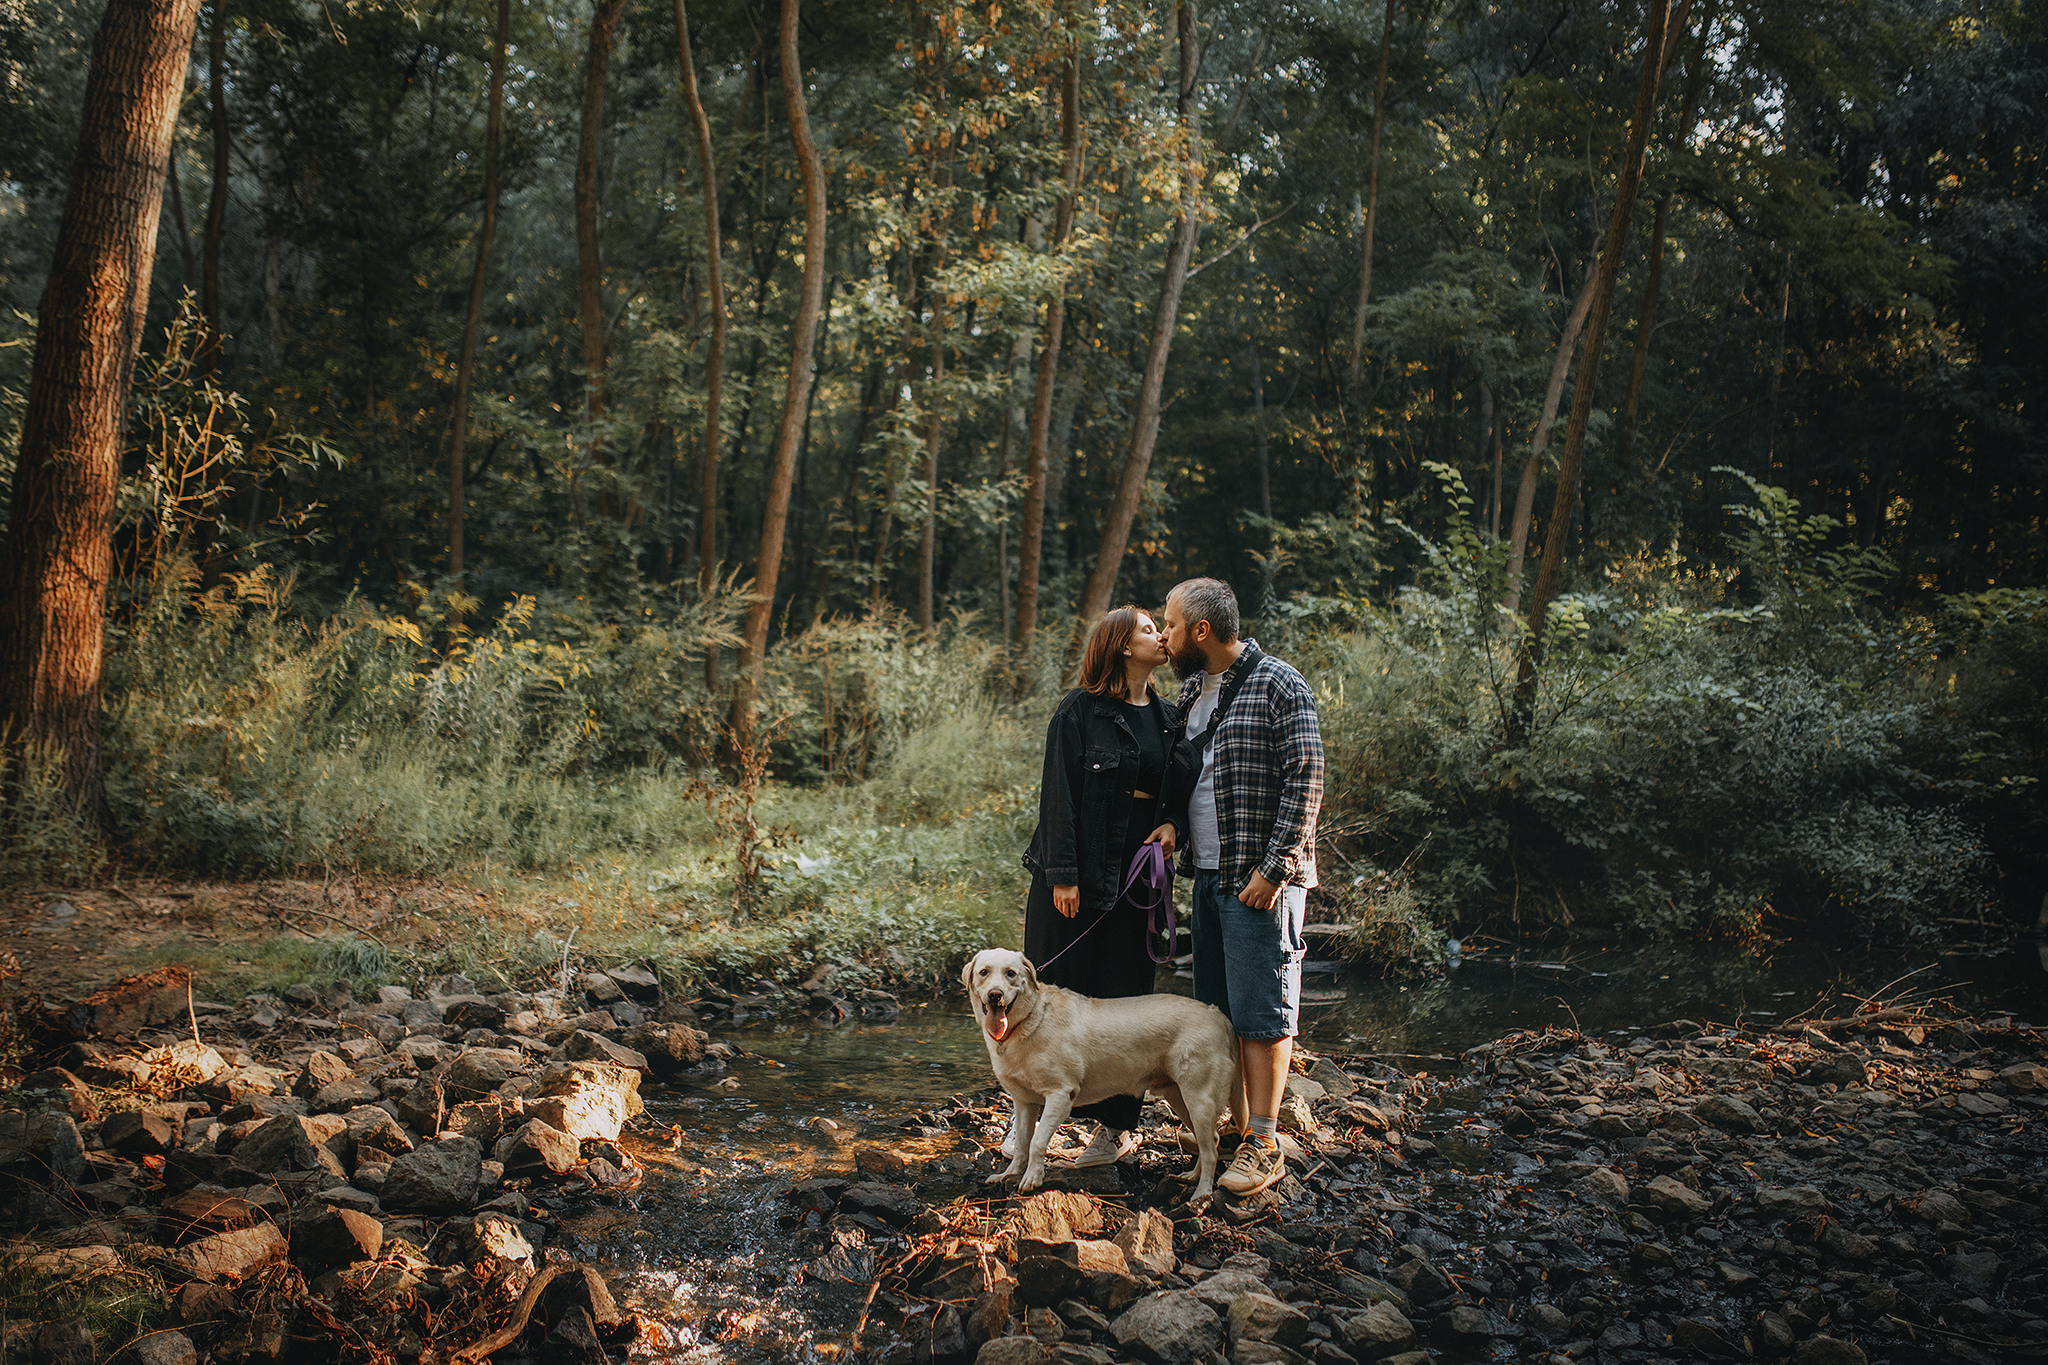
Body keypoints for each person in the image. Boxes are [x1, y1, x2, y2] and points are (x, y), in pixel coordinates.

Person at [1161, 576, 1324, 1197]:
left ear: (1201, 630)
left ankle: (1264, 1140)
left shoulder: (1280, 683)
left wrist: (1274, 868)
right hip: (1207, 875)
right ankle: (1231, 1130)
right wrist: (1174, 827)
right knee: (1218, 1013)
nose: (1165, 635)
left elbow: (1306, 779)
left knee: (1263, 1012)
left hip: (1260, 881)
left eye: (1171, 624)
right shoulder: (1190, 693)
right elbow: (1192, 780)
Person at [1019, 605, 1194, 1167]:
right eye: (1148, 628)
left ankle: (1113, 1131)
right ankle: (1026, 1124)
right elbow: (1058, 797)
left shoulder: (1169, 718)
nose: (1161, 636)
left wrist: (1173, 824)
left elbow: (1179, 790)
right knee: (1048, 997)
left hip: (1137, 880)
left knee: (1125, 1001)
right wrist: (1063, 875)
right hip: (1073, 873)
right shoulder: (1078, 710)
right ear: (1121, 645)